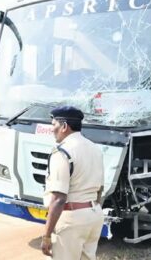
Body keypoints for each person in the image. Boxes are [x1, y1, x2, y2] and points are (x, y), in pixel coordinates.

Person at [41, 106, 104, 260]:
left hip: (72, 218)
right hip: (94, 215)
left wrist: (46, 235)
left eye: (53, 124)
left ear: (64, 126)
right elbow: (100, 190)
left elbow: (59, 199)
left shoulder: (62, 152)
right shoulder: (95, 149)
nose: (51, 129)